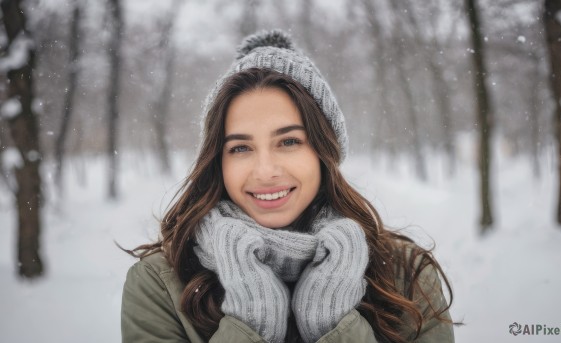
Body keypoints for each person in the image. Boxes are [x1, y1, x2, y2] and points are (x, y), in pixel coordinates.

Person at [121, 29, 455, 343]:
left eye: (289, 142)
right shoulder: (159, 284)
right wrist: (251, 324)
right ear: (217, 162)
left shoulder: (405, 276)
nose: (265, 171)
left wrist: (333, 326)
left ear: (324, 151)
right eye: (240, 148)